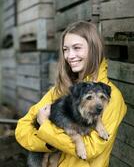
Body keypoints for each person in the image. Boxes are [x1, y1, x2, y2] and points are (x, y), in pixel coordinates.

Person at [15, 21, 127, 167]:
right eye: (65, 49)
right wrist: (48, 145)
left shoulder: (112, 97)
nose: (69, 55)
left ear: (93, 49)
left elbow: (91, 148)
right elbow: (22, 127)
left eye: (77, 48)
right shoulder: (61, 89)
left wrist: (46, 128)